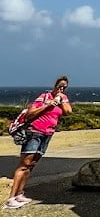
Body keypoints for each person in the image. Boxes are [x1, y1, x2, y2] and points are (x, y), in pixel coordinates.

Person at [4, 76, 72, 209]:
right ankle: (11, 197)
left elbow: (68, 112)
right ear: (55, 86)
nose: (61, 88)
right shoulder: (44, 97)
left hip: (47, 134)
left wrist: (61, 99)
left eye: (64, 87)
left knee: (32, 164)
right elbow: (30, 113)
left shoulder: (63, 99)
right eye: (60, 86)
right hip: (35, 132)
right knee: (24, 164)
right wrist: (49, 104)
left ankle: (20, 194)